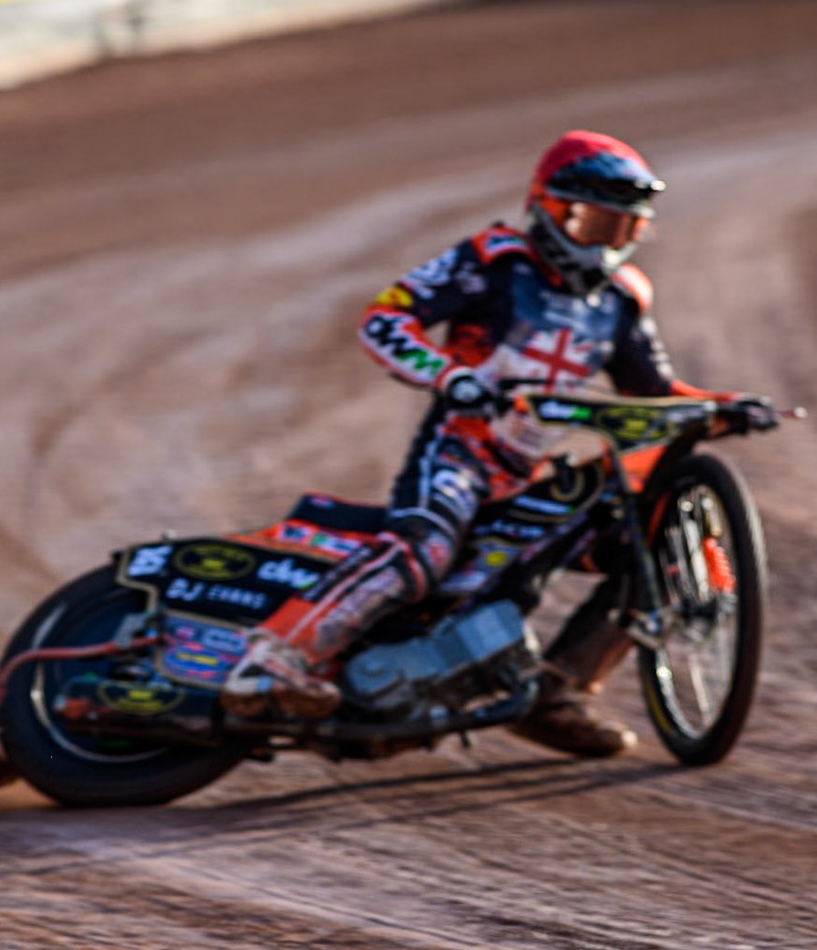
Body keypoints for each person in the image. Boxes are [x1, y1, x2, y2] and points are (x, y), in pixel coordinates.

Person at [222, 130, 778, 755]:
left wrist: (721, 408)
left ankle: (558, 694)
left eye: (623, 229)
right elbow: (386, 318)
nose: (605, 244)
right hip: (457, 454)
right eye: (591, 221)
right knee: (424, 551)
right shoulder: (493, 259)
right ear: (546, 206)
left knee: (645, 552)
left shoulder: (623, 299)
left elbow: (651, 390)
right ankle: (273, 657)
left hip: (532, 476)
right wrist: (449, 376)